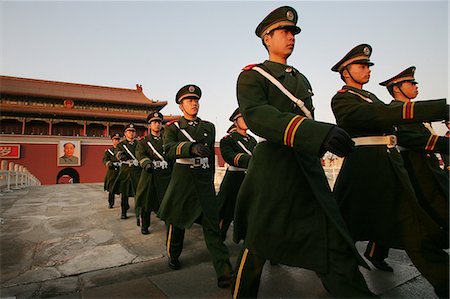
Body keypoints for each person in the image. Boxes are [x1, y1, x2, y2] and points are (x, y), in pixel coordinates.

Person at [232, 7, 376, 298]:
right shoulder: (252, 76)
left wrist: (322, 139)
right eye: (284, 32)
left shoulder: (302, 79)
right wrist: (318, 133)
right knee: (260, 241)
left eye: (293, 33)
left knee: (332, 237)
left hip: (308, 170)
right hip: (275, 170)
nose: (291, 37)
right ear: (266, 37)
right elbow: (260, 116)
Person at [330, 44, 449, 298]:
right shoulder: (342, 99)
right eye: (361, 66)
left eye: (368, 66)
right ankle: (344, 285)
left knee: (413, 229)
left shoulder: (373, 98)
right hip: (362, 173)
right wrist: (438, 108)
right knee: (343, 235)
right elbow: (380, 115)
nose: (367, 70)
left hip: (389, 169)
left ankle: (444, 280)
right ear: (345, 72)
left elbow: (392, 120)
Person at [157, 84, 233, 289]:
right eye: (189, 100)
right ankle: (173, 254)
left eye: (196, 100)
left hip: (203, 183)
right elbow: (169, 150)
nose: (194, 103)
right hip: (183, 182)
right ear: (181, 106)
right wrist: (190, 147)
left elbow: (209, 158)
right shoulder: (172, 128)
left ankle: (224, 271)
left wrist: (208, 181)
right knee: (177, 222)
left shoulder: (208, 127)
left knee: (212, 228)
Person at [216, 108, 257, 241]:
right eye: (242, 118)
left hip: (249, 179)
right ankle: (220, 239)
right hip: (233, 180)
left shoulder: (253, 141)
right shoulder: (228, 140)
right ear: (235, 121)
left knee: (251, 213)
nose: (246, 121)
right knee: (226, 213)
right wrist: (251, 160)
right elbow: (229, 156)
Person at [135, 111, 172, 235]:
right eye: (154, 122)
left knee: (167, 200)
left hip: (165, 174)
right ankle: (145, 225)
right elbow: (140, 153)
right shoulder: (144, 141)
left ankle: (169, 226)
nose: (157, 125)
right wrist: (146, 163)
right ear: (149, 125)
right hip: (149, 174)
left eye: (159, 122)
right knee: (147, 201)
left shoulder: (166, 140)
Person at [113, 123, 141, 221]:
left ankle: (139, 213)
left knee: (138, 193)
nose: (131, 133)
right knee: (124, 194)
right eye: (129, 131)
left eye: (133, 131)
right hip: (125, 171)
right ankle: (124, 211)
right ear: (125, 133)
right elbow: (117, 153)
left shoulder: (139, 144)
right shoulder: (121, 145)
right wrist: (120, 156)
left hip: (137, 171)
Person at [102, 133, 121, 208]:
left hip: (121, 170)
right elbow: (105, 159)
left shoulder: (122, 150)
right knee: (111, 188)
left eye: (118, 139)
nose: (117, 141)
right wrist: (108, 163)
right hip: (112, 171)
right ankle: (111, 203)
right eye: (115, 139)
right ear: (112, 141)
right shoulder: (108, 151)